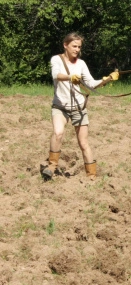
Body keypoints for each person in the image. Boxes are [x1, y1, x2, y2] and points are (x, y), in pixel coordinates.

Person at [41, 32, 119, 180]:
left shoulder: (81, 64)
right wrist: (70, 77)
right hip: (60, 106)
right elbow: (56, 75)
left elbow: (91, 84)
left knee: (83, 142)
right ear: (65, 45)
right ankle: (51, 166)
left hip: (78, 108)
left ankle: (91, 175)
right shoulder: (56, 60)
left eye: (79, 47)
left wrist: (108, 79)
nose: (77, 49)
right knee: (58, 133)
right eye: (74, 46)